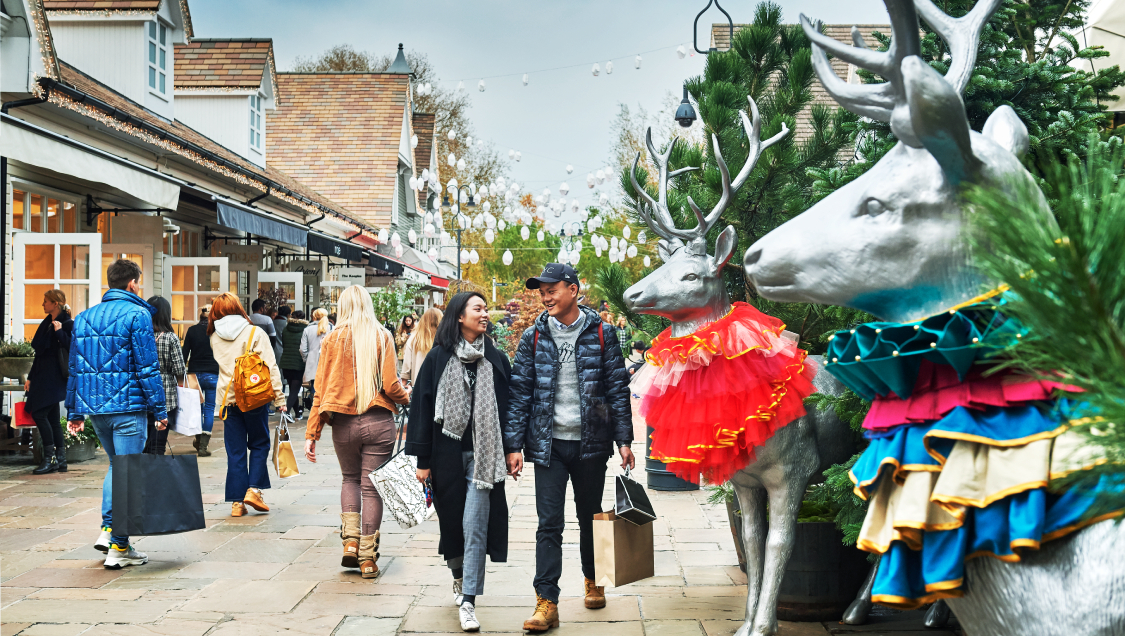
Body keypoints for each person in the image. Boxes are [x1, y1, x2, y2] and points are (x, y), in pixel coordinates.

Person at [505, 263, 634, 632]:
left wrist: (624, 439)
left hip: (591, 443)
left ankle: (595, 580)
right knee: (549, 524)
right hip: (548, 445)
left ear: (573, 290)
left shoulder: (603, 334)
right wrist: (514, 445)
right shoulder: (533, 337)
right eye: (541, 291)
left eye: (552, 289)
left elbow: (617, 390)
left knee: (591, 515)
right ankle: (546, 602)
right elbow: (519, 394)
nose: (545, 296)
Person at [407, 292, 512, 632]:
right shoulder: (438, 359)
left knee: (475, 524)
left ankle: (469, 600)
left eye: (485, 309)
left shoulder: (494, 357)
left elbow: (508, 409)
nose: (484, 314)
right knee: (452, 523)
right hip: (446, 455)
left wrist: (513, 449)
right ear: (460, 317)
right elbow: (421, 410)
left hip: (484, 457)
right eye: (477, 309)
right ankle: (458, 575)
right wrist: (423, 460)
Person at [66, 258, 166, 569]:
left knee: (116, 467)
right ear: (132, 283)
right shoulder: (138, 314)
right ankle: (119, 547)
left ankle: (109, 530)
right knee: (127, 471)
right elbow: (148, 367)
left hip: (97, 409)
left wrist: (74, 411)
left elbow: (75, 369)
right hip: (129, 409)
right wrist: (160, 409)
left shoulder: (83, 318)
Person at [305, 287, 410, 579]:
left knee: (349, 479)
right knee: (371, 487)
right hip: (378, 422)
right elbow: (391, 385)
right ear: (368, 304)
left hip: (343, 424)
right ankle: (368, 558)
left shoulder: (331, 339)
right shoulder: (382, 336)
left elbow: (320, 390)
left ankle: (350, 544)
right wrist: (407, 398)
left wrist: (311, 433)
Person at [210, 293, 286, 517]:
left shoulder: (214, 336)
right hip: (254, 397)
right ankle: (253, 490)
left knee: (235, 450)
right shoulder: (254, 332)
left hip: (228, 400)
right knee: (260, 444)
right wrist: (280, 399)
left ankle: (236, 502)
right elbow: (270, 367)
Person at [26, 290, 73, 475]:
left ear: (55, 304)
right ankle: (60, 460)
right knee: (52, 418)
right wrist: (30, 377)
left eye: (45, 301)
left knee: (39, 414)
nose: (42, 304)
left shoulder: (68, 324)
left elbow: (71, 346)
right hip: (42, 376)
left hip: (55, 378)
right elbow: (39, 354)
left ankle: (50, 458)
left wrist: (60, 332)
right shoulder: (46, 324)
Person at [145, 296, 185, 455]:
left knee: (145, 440)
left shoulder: (140, 336)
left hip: (142, 393)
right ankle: (156, 474)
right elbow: (179, 369)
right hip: (165, 393)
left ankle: (143, 474)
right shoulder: (170, 337)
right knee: (159, 442)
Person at [182, 306, 219, 456]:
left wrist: (180, 374)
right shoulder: (217, 332)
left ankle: (198, 440)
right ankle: (203, 446)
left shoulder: (192, 330)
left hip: (194, 374)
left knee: (197, 409)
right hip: (212, 373)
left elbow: (185, 354)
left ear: (200, 316)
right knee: (209, 409)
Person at [300, 308, 332, 412]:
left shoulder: (307, 329)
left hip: (312, 362)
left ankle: (315, 408)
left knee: (315, 386)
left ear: (314, 316)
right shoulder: (331, 328)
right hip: (328, 361)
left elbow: (302, 349)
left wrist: (307, 359)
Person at [279, 310, 309, 418]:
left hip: (286, 362)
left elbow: (284, 344)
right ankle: (286, 412)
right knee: (295, 390)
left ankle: (297, 413)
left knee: (292, 389)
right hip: (298, 363)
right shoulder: (306, 330)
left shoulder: (286, 329)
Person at [401, 308, 441, 386]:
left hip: (419, 387)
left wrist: (404, 385)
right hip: (439, 388)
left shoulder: (413, 338)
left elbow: (406, 366)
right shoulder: (444, 339)